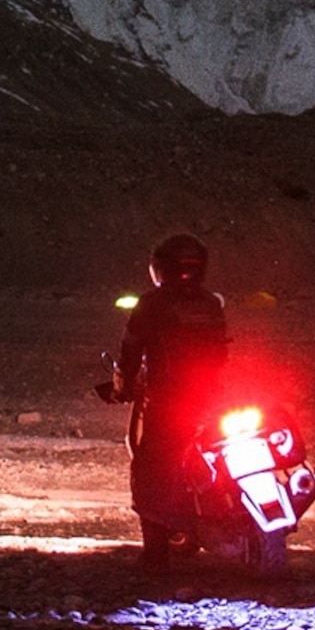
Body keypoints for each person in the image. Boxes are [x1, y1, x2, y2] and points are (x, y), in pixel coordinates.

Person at [103, 232, 230, 562]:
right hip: (212, 400)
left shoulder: (152, 304)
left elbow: (130, 351)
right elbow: (221, 353)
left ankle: (156, 552)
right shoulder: (210, 303)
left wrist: (122, 386)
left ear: (160, 269)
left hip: (168, 401)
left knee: (150, 470)